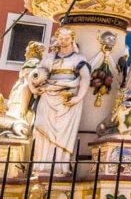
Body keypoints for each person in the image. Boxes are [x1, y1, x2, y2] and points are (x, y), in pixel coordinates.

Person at [31, 28, 91, 176]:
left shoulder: (78, 59)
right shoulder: (49, 58)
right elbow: (35, 74)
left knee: (63, 134)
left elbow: (85, 78)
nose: (63, 41)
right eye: (61, 38)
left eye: (66, 38)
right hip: (47, 95)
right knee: (41, 128)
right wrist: (32, 87)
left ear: (72, 39)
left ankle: (60, 167)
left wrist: (79, 97)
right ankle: (41, 166)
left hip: (67, 99)